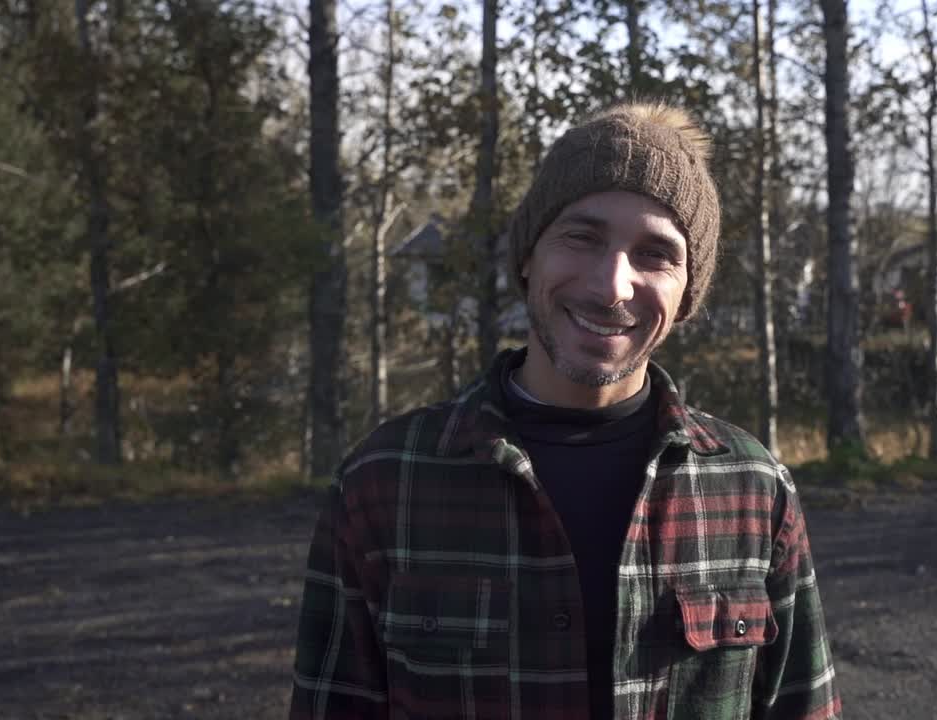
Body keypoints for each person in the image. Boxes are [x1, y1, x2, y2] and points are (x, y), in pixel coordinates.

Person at [289, 102, 841, 720]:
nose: (611, 286)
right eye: (582, 236)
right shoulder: (384, 482)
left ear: (687, 296)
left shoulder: (754, 490)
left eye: (656, 254)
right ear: (528, 257)